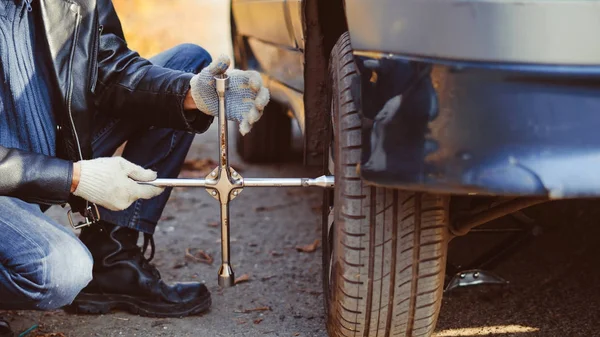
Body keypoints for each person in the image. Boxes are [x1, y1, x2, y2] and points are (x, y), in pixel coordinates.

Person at [0, 0, 269, 330]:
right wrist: (72, 178)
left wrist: (193, 95)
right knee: (63, 271)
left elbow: (109, 69)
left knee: (187, 65)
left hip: (49, 144)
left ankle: (112, 262)